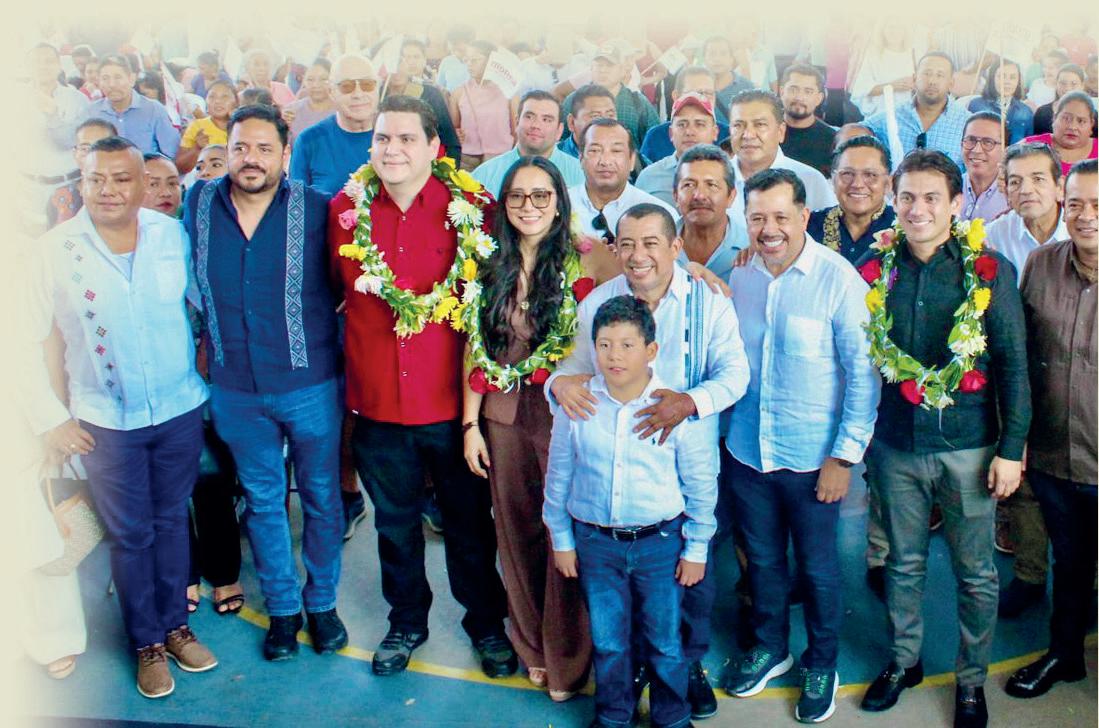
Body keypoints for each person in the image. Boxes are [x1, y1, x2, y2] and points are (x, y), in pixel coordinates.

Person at [328, 95, 516, 678]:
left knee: (468, 526)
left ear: (434, 147)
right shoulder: (344, 210)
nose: (393, 150)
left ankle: (486, 624)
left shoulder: (475, 209)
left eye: (406, 138)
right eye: (383, 138)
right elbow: (330, 294)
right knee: (394, 528)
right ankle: (406, 622)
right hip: (378, 405)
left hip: (454, 410)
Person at [27, 136, 216, 698]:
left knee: (171, 520)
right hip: (105, 422)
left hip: (178, 408)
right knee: (131, 534)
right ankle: (147, 643)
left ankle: (176, 628)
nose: (107, 190)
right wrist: (51, 419)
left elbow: (203, 306)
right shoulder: (54, 250)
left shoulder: (169, 235)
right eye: (95, 179)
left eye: (121, 179)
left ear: (143, 186)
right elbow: (21, 339)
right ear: (81, 184)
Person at [546, 204, 750, 722]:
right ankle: (627, 684)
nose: (638, 256)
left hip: (683, 457)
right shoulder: (598, 303)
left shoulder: (707, 300)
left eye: (651, 243)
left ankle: (687, 670)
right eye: (627, 244)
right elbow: (571, 374)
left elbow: (735, 374)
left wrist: (688, 403)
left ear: (676, 247)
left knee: (688, 587)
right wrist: (559, 384)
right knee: (617, 615)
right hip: (609, 465)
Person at [859, 150, 1030, 728]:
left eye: (932, 197)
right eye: (906, 197)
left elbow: (1013, 365)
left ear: (957, 204)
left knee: (975, 572)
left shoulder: (990, 270)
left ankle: (971, 680)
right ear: (893, 200)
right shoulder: (876, 267)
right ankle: (903, 661)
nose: (918, 209)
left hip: (969, 446)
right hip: (896, 445)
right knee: (902, 563)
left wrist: (1011, 450)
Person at [183, 104, 347, 662]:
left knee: (322, 497)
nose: (250, 159)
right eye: (239, 148)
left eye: (263, 148)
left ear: (285, 153)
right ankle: (282, 610)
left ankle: (322, 603)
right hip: (235, 387)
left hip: (310, 383)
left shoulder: (319, 209)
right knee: (262, 499)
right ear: (226, 151)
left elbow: (346, 285)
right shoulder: (199, 203)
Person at [723, 168, 880, 724]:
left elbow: (863, 376)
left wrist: (843, 458)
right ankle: (771, 646)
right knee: (763, 560)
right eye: (757, 218)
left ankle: (821, 661)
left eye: (781, 217)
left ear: (804, 216)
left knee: (818, 569)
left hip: (815, 460)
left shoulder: (838, 280)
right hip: (747, 450)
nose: (769, 229)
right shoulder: (739, 275)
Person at [543, 294, 719, 728]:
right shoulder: (578, 405)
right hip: (596, 544)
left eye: (627, 345)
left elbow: (700, 486)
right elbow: (559, 476)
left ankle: (671, 716)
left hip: (661, 544)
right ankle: (613, 715)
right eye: (604, 345)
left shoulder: (673, 408)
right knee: (609, 643)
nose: (614, 356)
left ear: (651, 350)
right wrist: (562, 539)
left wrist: (696, 548)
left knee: (665, 642)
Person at [461, 157, 599, 702]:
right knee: (516, 531)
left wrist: (702, 273)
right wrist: (470, 424)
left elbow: (645, 281)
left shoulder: (587, 255)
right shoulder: (486, 263)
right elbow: (475, 347)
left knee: (564, 528)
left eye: (541, 195)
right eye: (517, 196)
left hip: (565, 414)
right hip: (503, 418)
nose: (529, 206)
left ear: (559, 202)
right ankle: (532, 643)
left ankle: (569, 652)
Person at [1005, 159, 1097, 699]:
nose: (1086, 216)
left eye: (1098, 205)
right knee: (1070, 560)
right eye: (1077, 203)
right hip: (1053, 455)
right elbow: (1019, 357)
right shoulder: (1041, 265)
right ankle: (1066, 655)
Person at [983, 142, 1067, 618]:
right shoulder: (996, 235)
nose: (1026, 190)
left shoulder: (1083, 225)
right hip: (1019, 373)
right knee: (1026, 479)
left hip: (1077, 371)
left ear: (1059, 185)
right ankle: (1031, 575)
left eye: (1038, 179)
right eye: (1015, 181)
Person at [726, 90, 835, 221]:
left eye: (760, 125)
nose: (748, 135)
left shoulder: (810, 180)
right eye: (738, 125)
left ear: (781, 131)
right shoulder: (715, 179)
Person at [568, 118, 677, 240]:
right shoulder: (561, 205)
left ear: (632, 160)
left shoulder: (660, 213)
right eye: (595, 151)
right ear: (581, 159)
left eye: (616, 151)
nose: (605, 161)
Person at [289, 54, 379, 196]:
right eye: (346, 87)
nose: (358, 94)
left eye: (367, 85)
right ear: (331, 91)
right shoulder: (309, 140)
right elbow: (296, 204)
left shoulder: (398, 137)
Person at [23, 43, 89, 232]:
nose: (43, 66)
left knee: (68, 242)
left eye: (48, 61)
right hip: (27, 189)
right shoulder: (13, 99)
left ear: (59, 65)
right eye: (37, 62)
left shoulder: (77, 99)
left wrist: (53, 115)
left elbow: (70, 142)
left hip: (67, 187)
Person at [864, 52, 970, 168]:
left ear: (951, 83)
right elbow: (855, 130)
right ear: (914, 79)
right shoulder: (891, 117)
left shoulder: (967, 123)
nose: (932, 81)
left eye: (940, 75)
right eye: (927, 73)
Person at [471, 91, 584, 197]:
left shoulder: (582, 175)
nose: (536, 125)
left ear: (559, 130)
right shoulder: (484, 176)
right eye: (529, 117)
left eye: (546, 120)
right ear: (517, 123)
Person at [807, 135, 896, 265]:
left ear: (888, 183)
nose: (857, 184)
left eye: (870, 175)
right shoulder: (808, 227)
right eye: (847, 174)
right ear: (833, 180)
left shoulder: (904, 229)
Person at [561, 44, 660, 150]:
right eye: (599, 65)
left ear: (622, 70)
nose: (603, 70)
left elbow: (655, 141)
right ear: (591, 69)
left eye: (609, 65)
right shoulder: (574, 100)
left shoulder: (638, 103)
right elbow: (560, 139)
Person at [674, 144, 749, 281]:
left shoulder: (751, 249)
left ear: (731, 197)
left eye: (712, 185)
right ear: (675, 196)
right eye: (689, 185)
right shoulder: (656, 246)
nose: (699, 195)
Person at [381, 39, 462, 160]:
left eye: (402, 62)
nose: (398, 69)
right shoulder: (378, 95)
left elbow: (449, 138)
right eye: (394, 63)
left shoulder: (430, 93)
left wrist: (450, 169)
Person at [636, 93, 720, 206]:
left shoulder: (729, 174)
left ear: (714, 132)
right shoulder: (649, 177)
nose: (689, 132)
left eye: (699, 124)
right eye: (681, 124)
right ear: (671, 133)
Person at [89, 54, 180, 157]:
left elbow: (172, 153)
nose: (112, 84)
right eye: (105, 78)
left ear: (132, 79)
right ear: (98, 81)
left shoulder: (153, 110)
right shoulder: (91, 113)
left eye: (118, 77)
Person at [640, 66, 731, 163]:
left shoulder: (729, 136)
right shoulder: (655, 137)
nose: (702, 98)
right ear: (676, 96)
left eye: (708, 93)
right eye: (694, 93)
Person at [449, 40, 515, 170]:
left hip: (501, 159)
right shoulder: (459, 92)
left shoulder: (508, 92)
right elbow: (453, 129)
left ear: (491, 61)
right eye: (467, 60)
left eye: (475, 60)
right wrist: (456, 134)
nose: (469, 64)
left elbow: (516, 130)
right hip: (468, 159)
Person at [778, 64, 837, 176]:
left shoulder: (832, 140)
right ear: (781, 92)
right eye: (793, 90)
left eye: (808, 91)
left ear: (819, 98)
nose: (799, 97)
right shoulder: (767, 133)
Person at [848, 22, 917, 118]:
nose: (894, 31)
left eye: (899, 27)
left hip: (905, 114)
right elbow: (862, 89)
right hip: (879, 114)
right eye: (891, 26)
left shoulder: (912, 53)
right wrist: (892, 86)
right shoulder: (873, 55)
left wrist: (916, 84)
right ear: (882, 30)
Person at [1024, 91, 1098, 175]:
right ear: (1054, 118)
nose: (1072, 127)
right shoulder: (1029, 147)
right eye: (1066, 118)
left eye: (1081, 121)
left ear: (1091, 124)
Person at [175, 80, 237, 175]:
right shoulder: (198, 126)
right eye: (212, 97)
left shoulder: (242, 127)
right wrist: (197, 148)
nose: (217, 101)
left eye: (225, 97)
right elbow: (180, 167)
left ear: (236, 102)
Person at [967, 59, 1034, 144]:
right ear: (992, 78)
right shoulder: (976, 105)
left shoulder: (1025, 112)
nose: (1007, 82)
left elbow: (1029, 146)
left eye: (1013, 77)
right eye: (1002, 76)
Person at [959, 112, 1009, 222]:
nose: (976, 150)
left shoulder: (1011, 195)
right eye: (971, 140)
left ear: (1005, 150)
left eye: (988, 142)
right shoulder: (949, 187)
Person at [557, 84, 618, 159]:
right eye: (595, 116)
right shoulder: (551, 158)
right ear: (571, 122)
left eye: (610, 115)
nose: (605, 123)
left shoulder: (627, 156)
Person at [702, 36, 753, 125]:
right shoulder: (696, 87)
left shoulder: (747, 88)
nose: (717, 59)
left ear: (731, 59)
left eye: (723, 54)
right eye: (712, 54)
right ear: (704, 59)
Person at [282, 58, 335, 144]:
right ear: (303, 81)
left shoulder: (342, 112)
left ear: (333, 80)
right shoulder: (291, 112)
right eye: (310, 79)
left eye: (323, 79)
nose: (316, 85)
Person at [1031, 63, 1086, 135]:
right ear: (1056, 84)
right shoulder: (1042, 113)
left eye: (1074, 83)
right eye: (1063, 83)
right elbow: (1035, 140)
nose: (1067, 88)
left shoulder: (1091, 114)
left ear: (1082, 86)